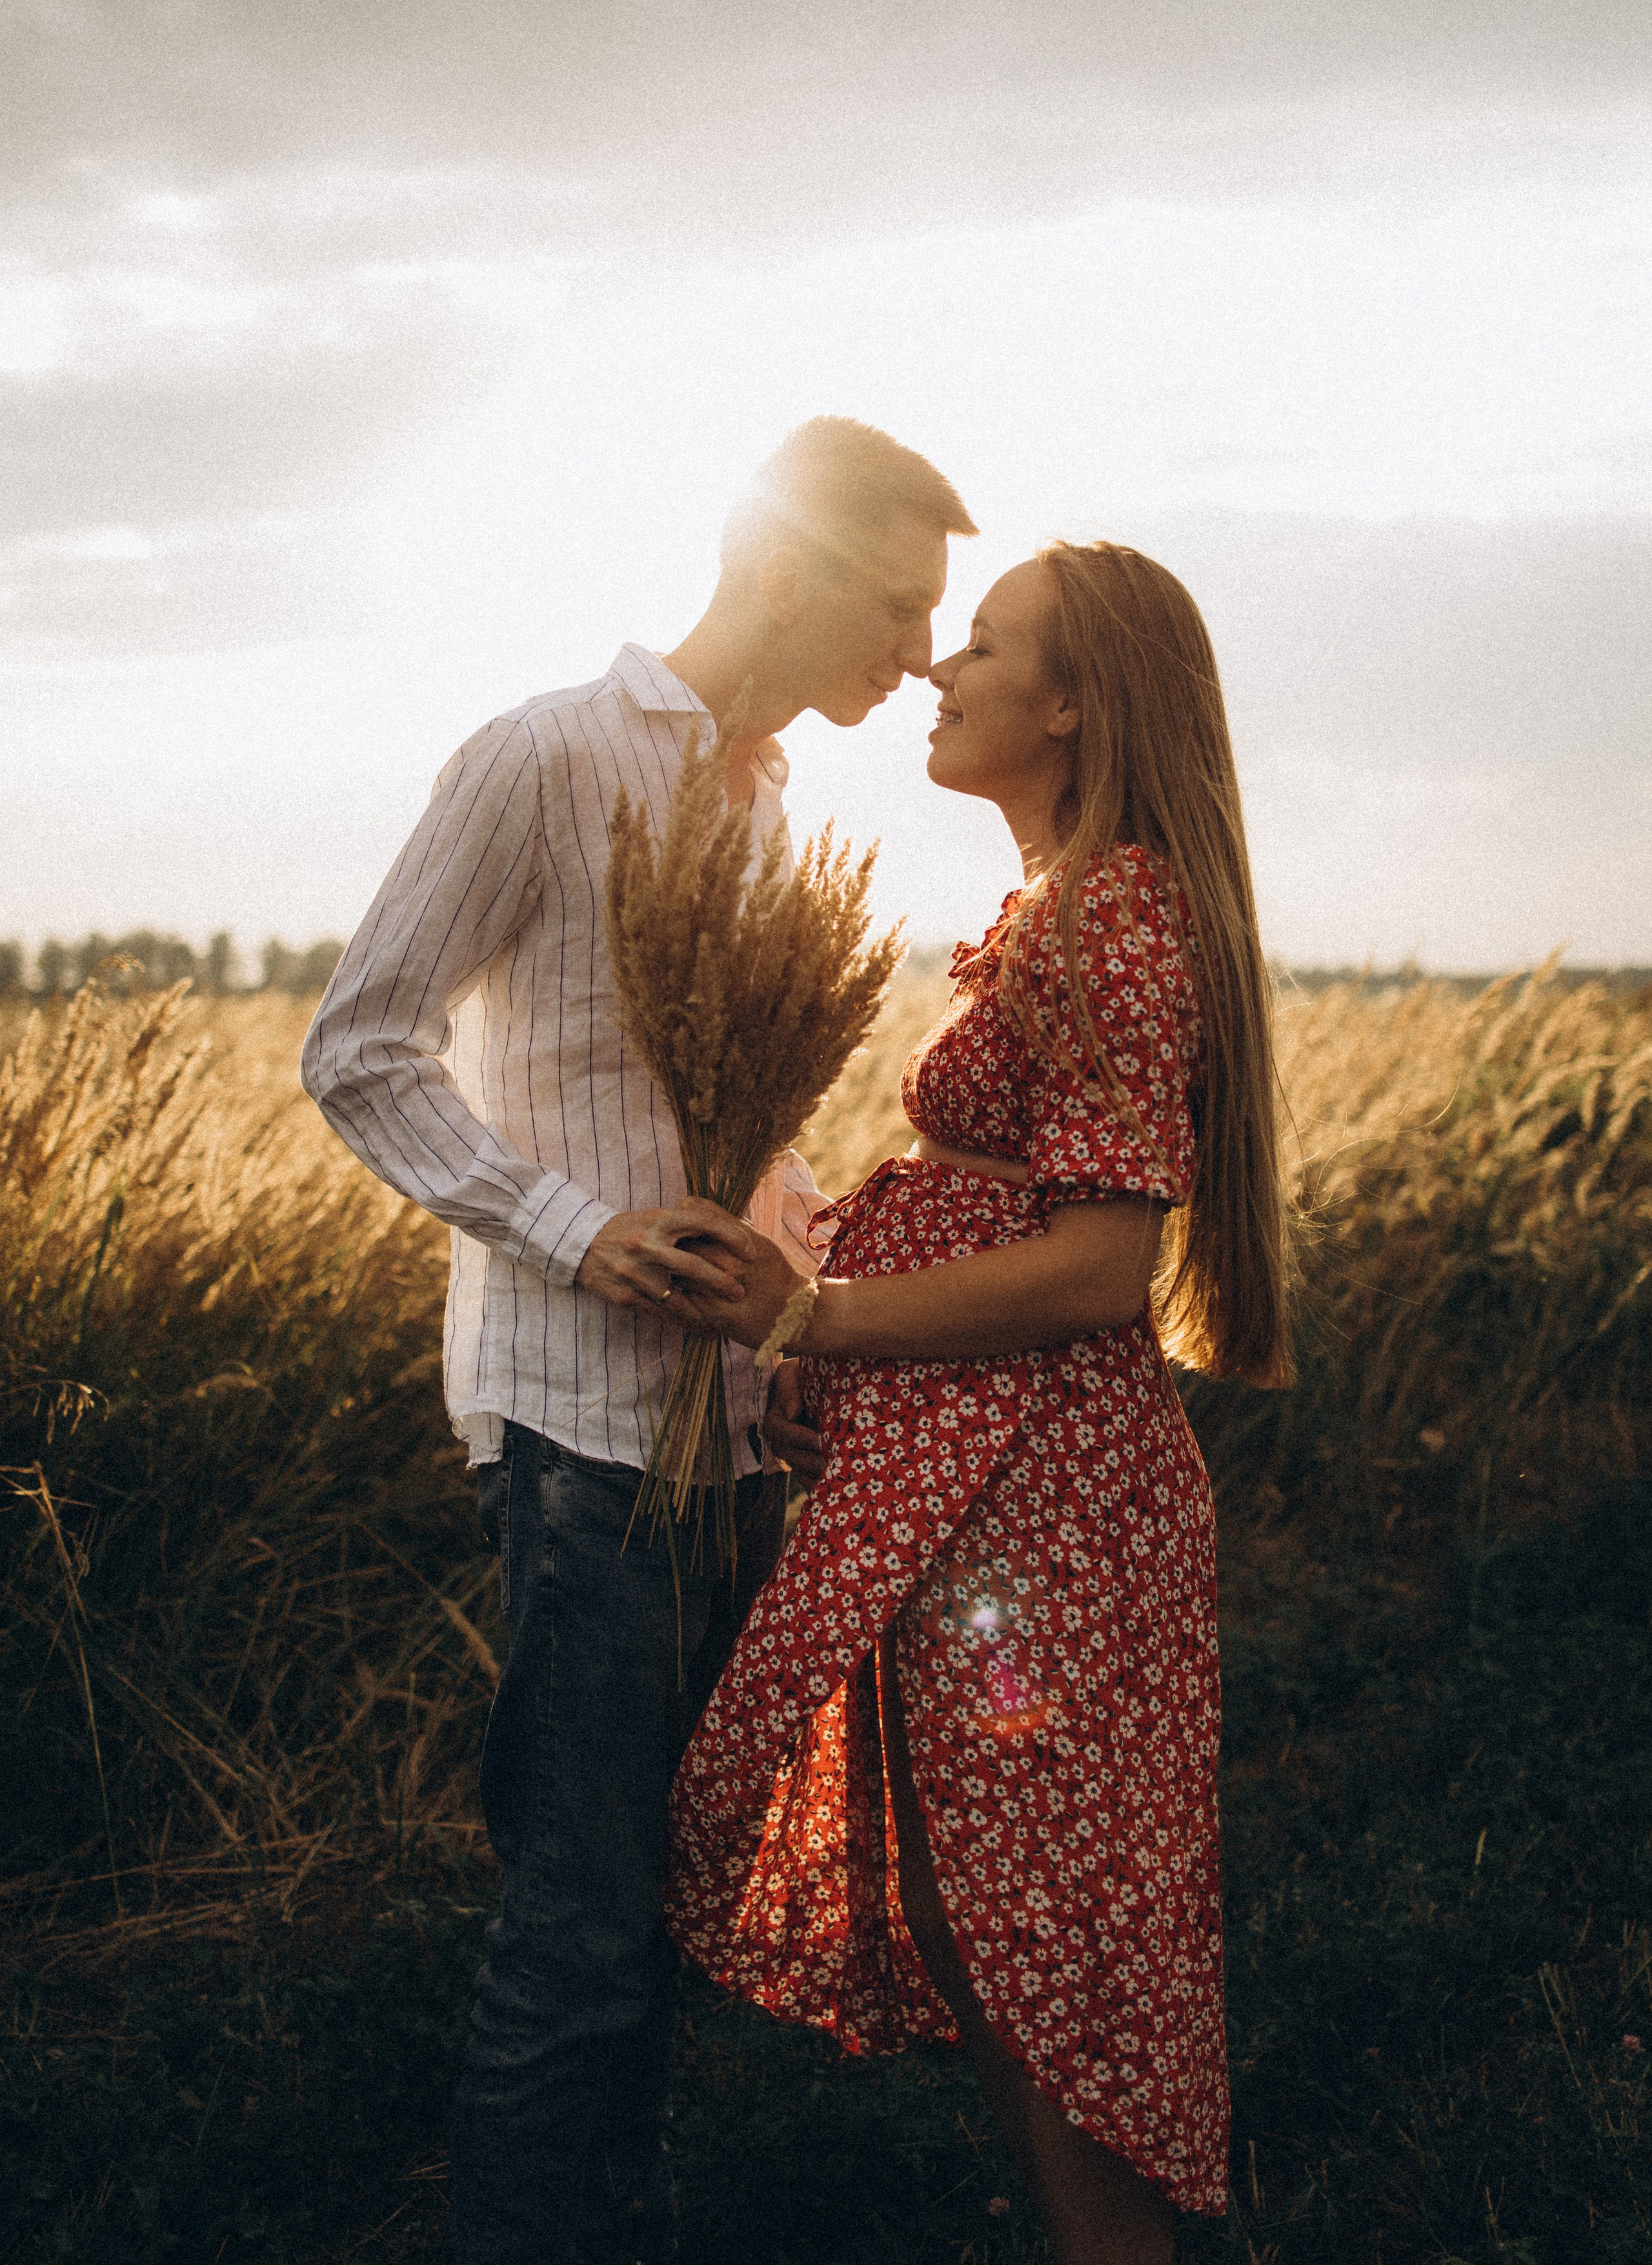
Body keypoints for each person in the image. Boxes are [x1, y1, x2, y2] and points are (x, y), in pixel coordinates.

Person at [299, 417, 978, 2265]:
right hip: (586, 1442)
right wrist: (578, 1231)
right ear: (784, 560)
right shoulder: (544, 756)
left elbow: (732, 1119)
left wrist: (830, 1264)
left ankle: (613, 2216)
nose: (923, 651)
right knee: (581, 1922)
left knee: (672, 1899)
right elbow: (357, 1045)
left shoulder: (761, 802)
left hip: (733, 1432)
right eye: (900, 603)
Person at [668, 542, 1291, 2265]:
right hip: (991, 1515)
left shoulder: (1111, 914)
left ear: (1075, 702)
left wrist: (823, 1315)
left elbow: (1100, 1268)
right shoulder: (1063, 906)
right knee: (993, 1897)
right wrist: (846, 1369)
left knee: (1042, 1918)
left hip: (1044, 1527)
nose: (939, 667)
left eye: (987, 646)